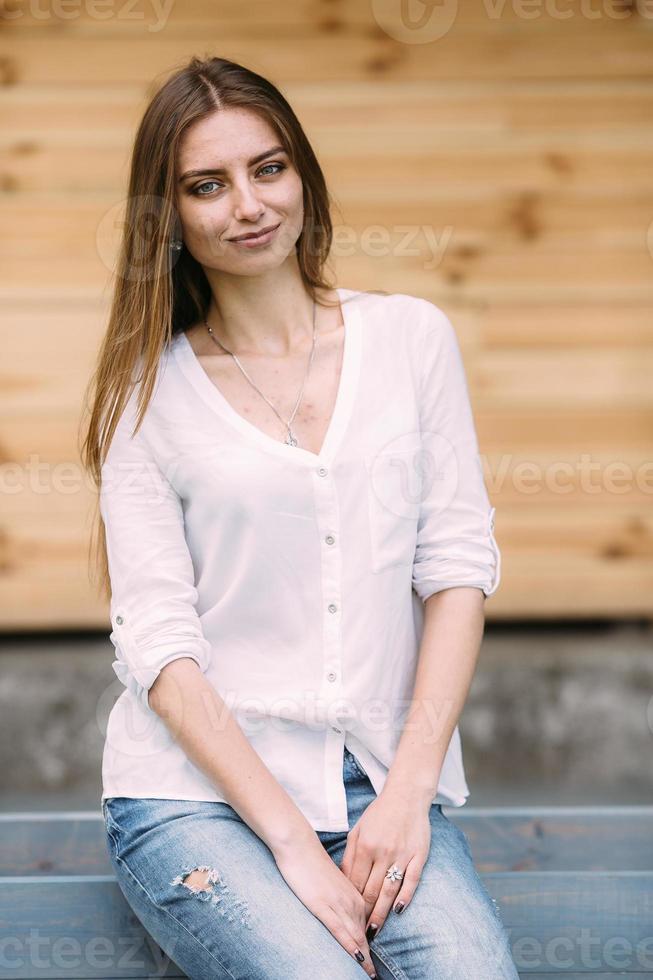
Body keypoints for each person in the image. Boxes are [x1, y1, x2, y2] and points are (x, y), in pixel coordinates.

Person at [81, 55, 518, 980]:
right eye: (207, 185)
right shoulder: (143, 399)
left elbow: (454, 568)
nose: (247, 205)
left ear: (303, 177)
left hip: (378, 783)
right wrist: (287, 843)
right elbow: (160, 645)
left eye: (267, 168)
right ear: (169, 218)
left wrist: (406, 795)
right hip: (197, 801)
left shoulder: (409, 339)